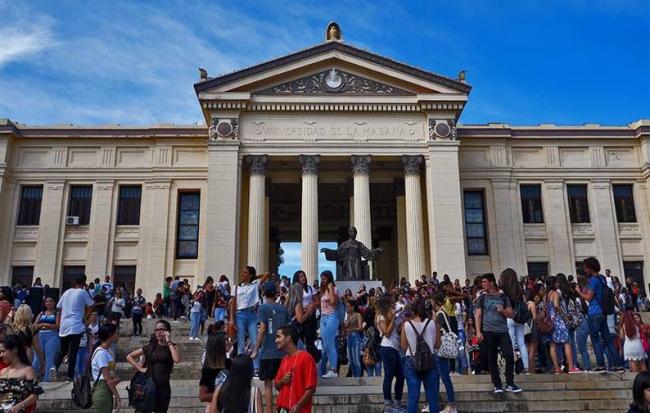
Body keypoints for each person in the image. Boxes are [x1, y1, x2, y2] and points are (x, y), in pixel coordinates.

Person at [474, 273, 522, 393]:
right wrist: (478, 331)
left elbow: (511, 313)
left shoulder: (502, 296)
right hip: (488, 331)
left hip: (502, 330)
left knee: (509, 355)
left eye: (485, 282)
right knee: (492, 358)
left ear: (491, 282)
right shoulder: (482, 297)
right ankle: (497, 384)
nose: (482, 284)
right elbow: (478, 315)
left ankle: (510, 383)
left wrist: (503, 310)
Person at [577, 257, 624, 372]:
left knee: (595, 339)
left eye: (585, 268)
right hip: (603, 311)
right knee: (608, 339)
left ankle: (601, 365)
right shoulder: (602, 278)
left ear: (589, 267)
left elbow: (588, 297)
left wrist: (578, 291)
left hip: (594, 312)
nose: (585, 270)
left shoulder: (593, 280)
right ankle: (618, 365)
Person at [126, 320, 181, 413]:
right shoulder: (150, 347)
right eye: (156, 330)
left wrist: (169, 341)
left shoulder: (172, 346)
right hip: (148, 386)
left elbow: (177, 359)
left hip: (163, 388)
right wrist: (139, 368)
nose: (158, 332)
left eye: (161, 329)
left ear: (168, 331)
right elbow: (129, 356)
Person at [252, 281, 289, 413]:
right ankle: (281, 409)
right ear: (276, 292)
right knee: (282, 384)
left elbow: (262, 329)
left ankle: (269, 411)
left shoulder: (263, 308)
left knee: (268, 384)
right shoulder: (283, 309)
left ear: (264, 293)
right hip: (283, 352)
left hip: (268, 351)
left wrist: (256, 348)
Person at [400, 298, 441, 413]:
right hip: (430, 360)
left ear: (412, 311)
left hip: (411, 361)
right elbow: (438, 344)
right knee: (433, 397)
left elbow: (403, 346)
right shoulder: (432, 323)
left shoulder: (406, 325)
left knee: (413, 397)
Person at [52, 273, 94, 381]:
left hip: (64, 326)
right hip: (75, 325)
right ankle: (70, 375)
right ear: (84, 282)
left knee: (63, 350)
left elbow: (59, 307)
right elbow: (91, 305)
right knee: (73, 351)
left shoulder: (66, 292)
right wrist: (85, 316)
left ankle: (55, 366)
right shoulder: (83, 292)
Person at [229, 266, 269, 371]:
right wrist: (231, 319)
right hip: (239, 314)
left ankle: (256, 367)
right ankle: (240, 367)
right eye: (243, 272)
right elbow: (233, 303)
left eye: (245, 272)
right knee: (241, 342)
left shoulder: (255, 285)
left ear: (250, 274)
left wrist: (253, 277)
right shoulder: (236, 287)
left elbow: (266, 274)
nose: (243, 274)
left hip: (252, 315)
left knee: (255, 341)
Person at [274, 325, 317, 413]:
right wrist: (283, 380)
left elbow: (311, 388)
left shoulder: (306, 358)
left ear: (288, 338)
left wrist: (298, 405)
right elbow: (276, 385)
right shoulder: (284, 359)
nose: (276, 340)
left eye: (278, 337)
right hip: (282, 409)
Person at [375, 293, 405, 412]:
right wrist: (392, 320)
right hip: (387, 348)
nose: (394, 303)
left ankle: (397, 402)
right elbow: (386, 333)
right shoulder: (381, 316)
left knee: (401, 376)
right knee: (389, 375)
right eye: (392, 301)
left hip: (395, 348)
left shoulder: (390, 314)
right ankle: (388, 404)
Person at [0, 335, 43, 413]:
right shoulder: (2, 371)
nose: (1, 355)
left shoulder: (27, 370)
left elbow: (35, 395)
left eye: (3, 351)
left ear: (14, 350)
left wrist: (19, 406)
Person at [544, 276, 578, 374]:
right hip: (557, 320)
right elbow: (556, 307)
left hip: (550, 321)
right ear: (554, 283)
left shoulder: (545, 295)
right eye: (557, 282)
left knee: (552, 345)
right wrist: (565, 317)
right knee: (567, 342)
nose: (558, 284)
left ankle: (557, 368)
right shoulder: (555, 293)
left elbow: (546, 309)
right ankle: (571, 367)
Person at [500, 268, 529, 373]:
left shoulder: (503, 290)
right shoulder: (519, 289)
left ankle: (511, 368)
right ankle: (526, 367)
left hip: (508, 317)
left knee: (511, 343)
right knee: (521, 343)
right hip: (519, 318)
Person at [432, 292, 457, 413]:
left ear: (435, 301)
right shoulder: (442, 313)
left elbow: (435, 330)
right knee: (438, 376)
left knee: (444, 377)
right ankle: (435, 403)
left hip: (441, 349)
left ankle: (452, 406)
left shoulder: (440, 314)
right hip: (441, 349)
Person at [90, 323, 120, 413]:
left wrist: (116, 378)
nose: (118, 335)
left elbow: (110, 374)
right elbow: (107, 378)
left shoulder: (107, 351)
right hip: (102, 390)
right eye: (116, 333)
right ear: (110, 335)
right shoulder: (101, 353)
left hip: (107, 390)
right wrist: (117, 396)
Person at [292, 270, 319, 362]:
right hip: (299, 316)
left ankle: (312, 361)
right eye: (300, 276)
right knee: (299, 340)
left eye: (304, 276)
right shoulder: (294, 289)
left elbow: (317, 301)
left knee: (310, 341)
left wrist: (311, 306)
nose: (303, 278)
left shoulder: (311, 289)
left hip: (310, 317)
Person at [199, 332, 232, 405]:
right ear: (218, 344)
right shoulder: (209, 370)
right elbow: (202, 396)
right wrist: (224, 394)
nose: (229, 342)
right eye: (226, 340)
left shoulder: (230, 363)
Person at [32, 296, 59, 382]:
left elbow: (57, 326)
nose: (49, 303)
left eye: (51, 301)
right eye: (47, 301)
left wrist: (43, 324)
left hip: (52, 336)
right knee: (36, 358)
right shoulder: (41, 313)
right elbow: (35, 325)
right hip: (41, 335)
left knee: (50, 358)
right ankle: (32, 377)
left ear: (54, 303)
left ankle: (47, 380)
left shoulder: (57, 313)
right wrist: (45, 325)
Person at [343, 300, 363, 377]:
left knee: (356, 359)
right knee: (350, 360)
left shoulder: (358, 315)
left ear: (353, 306)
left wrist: (350, 329)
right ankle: (354, 375)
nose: (347, 308)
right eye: (346, 307)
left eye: (348, 306)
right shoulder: (347, 316)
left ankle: (357, 377)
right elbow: (345, 328)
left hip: (356, 337)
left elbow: (360, 327)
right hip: (349, 338)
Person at [76, 310, 99, 378]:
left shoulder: (87, 330)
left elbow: (89, 341)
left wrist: (90, 351)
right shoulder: (75, 329)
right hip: (77, 349)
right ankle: (77, 382)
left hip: (86, 349)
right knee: (77, 368)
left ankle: (84, 381)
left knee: (84, 367)